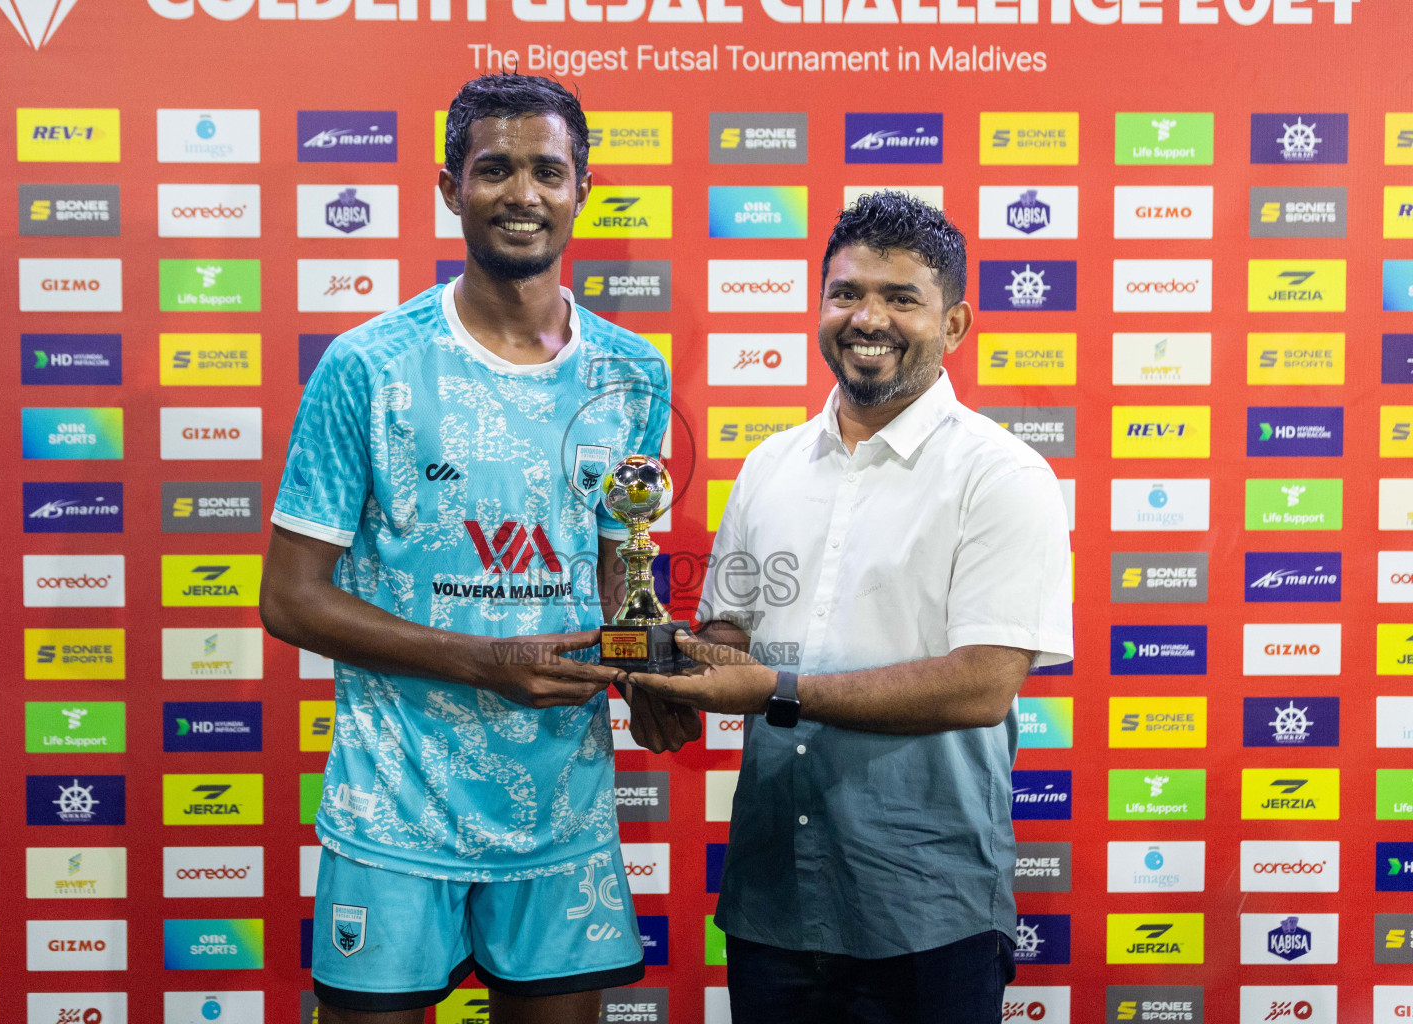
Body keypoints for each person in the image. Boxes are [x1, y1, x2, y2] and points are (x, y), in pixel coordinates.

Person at [259, 73, 698, 1024]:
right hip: (393, 810)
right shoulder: (369, 365)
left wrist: (648, 669)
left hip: (563, 811)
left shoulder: (634, 371)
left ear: (583, 186)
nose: (523, 194)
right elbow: (290, 599)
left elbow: (621, 561)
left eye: (549, 170)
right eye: (494, 169)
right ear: (450, 187)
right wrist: (481, 662)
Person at [629, 190, 1073, 1023]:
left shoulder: (1002, 477)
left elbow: (980, 685)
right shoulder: (770, 466)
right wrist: (659, 662)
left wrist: (776, 692)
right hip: (772, 896)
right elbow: (731, 635)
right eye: (848, 293)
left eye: (901, 297)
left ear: (955, 325)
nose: (869, 317)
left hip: (925, 907)